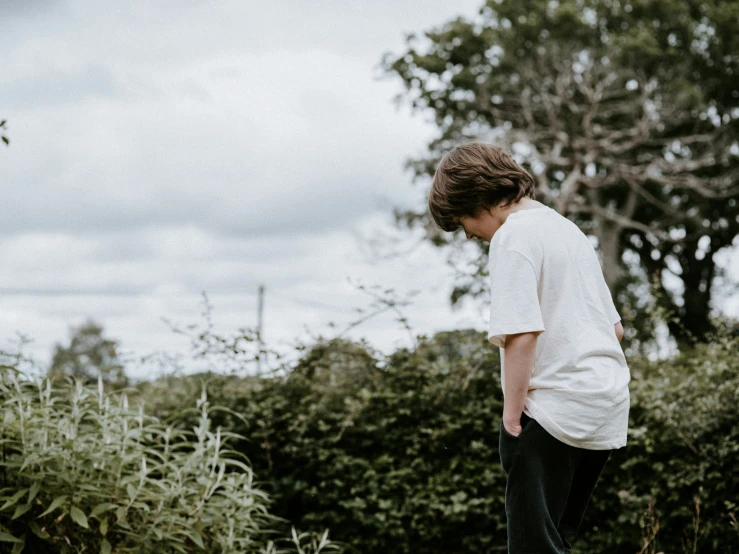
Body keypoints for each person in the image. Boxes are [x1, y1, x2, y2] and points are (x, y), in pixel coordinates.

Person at [427, 141, 630, 553]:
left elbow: (521, 334)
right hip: (603, 406)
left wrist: (511, 414)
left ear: (476, 198)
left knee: (532, 546)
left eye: (462, 221)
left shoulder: (512, 237)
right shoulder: (566, 229)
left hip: (552, 410)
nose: (467, 233)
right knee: (556, 540)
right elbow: (616, 330)